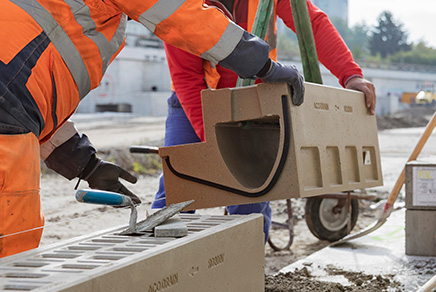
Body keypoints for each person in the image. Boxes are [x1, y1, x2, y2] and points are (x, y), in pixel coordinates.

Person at [0, 0, 305, 258]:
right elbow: (182, 16)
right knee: (12, 241)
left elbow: (24, 102)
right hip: (12, 93)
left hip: (16, 100)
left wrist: (86, 164)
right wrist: (264, 65)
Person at [152, 0, 376, 242]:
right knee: (176, 194)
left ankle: (245, 270)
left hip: (253, 104)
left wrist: (350, 74)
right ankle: (159, 267)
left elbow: (310, 23)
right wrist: (216, 143)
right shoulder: (179, 4)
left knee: (251, 195)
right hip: (194, 101)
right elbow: (187, 76)